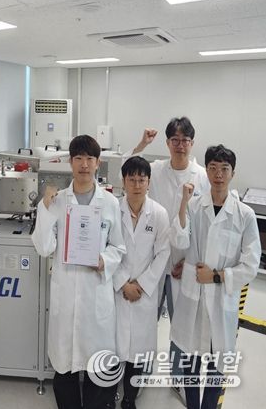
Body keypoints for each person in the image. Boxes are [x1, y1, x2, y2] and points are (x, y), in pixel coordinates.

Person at [32, 135, 125, 409]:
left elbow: (118, 247)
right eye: (79, 158)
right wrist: (44, 209)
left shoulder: (110, 203)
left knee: (98, 369)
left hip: (96, 292)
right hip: (67, 295)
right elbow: (44, 248)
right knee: (65, 368)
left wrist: (103, 260)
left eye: (90, 159)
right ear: (70, 162)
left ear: (98, 163)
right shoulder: (57, 201)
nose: (84, 164)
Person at [171, 145, 261, 409]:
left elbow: (251, 265)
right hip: (194, 298)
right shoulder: (194, 206)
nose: (218, 174)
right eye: (212, 168)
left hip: (221, 300)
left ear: (233, 173)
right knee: (190, 363)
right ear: (207, 171)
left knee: (216, 367)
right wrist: (182, 204)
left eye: (224, 168)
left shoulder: (244, 215)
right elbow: (179, 242)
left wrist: (217, 276)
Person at [127, 117, 210, 405]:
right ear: (167, 143)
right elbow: (126, 168)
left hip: (182, 265)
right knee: (143, 321)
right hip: (150, 263)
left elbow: (202, 225)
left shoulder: (202, 177)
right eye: (175, 140)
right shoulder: (156, 169)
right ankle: (140, 373)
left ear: (192, 143)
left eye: (185, 140)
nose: (180, 145)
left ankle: (178, 379)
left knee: (181, 326)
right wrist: (142, 144)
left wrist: (189, 260)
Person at [114, 157, 170, 409]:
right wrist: (122, 283)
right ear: (123, 181)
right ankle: (110, 395)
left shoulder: (158, 213)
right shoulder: (113, 210)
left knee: (138, 350)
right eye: (132, 179)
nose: (137, 185)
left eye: (141, 180)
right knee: (114, 347)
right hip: (117, 289)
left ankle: (129, 399)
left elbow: (163, 253)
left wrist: (142, 285)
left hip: (143, 292)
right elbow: (105, 248)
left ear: (149, 182)